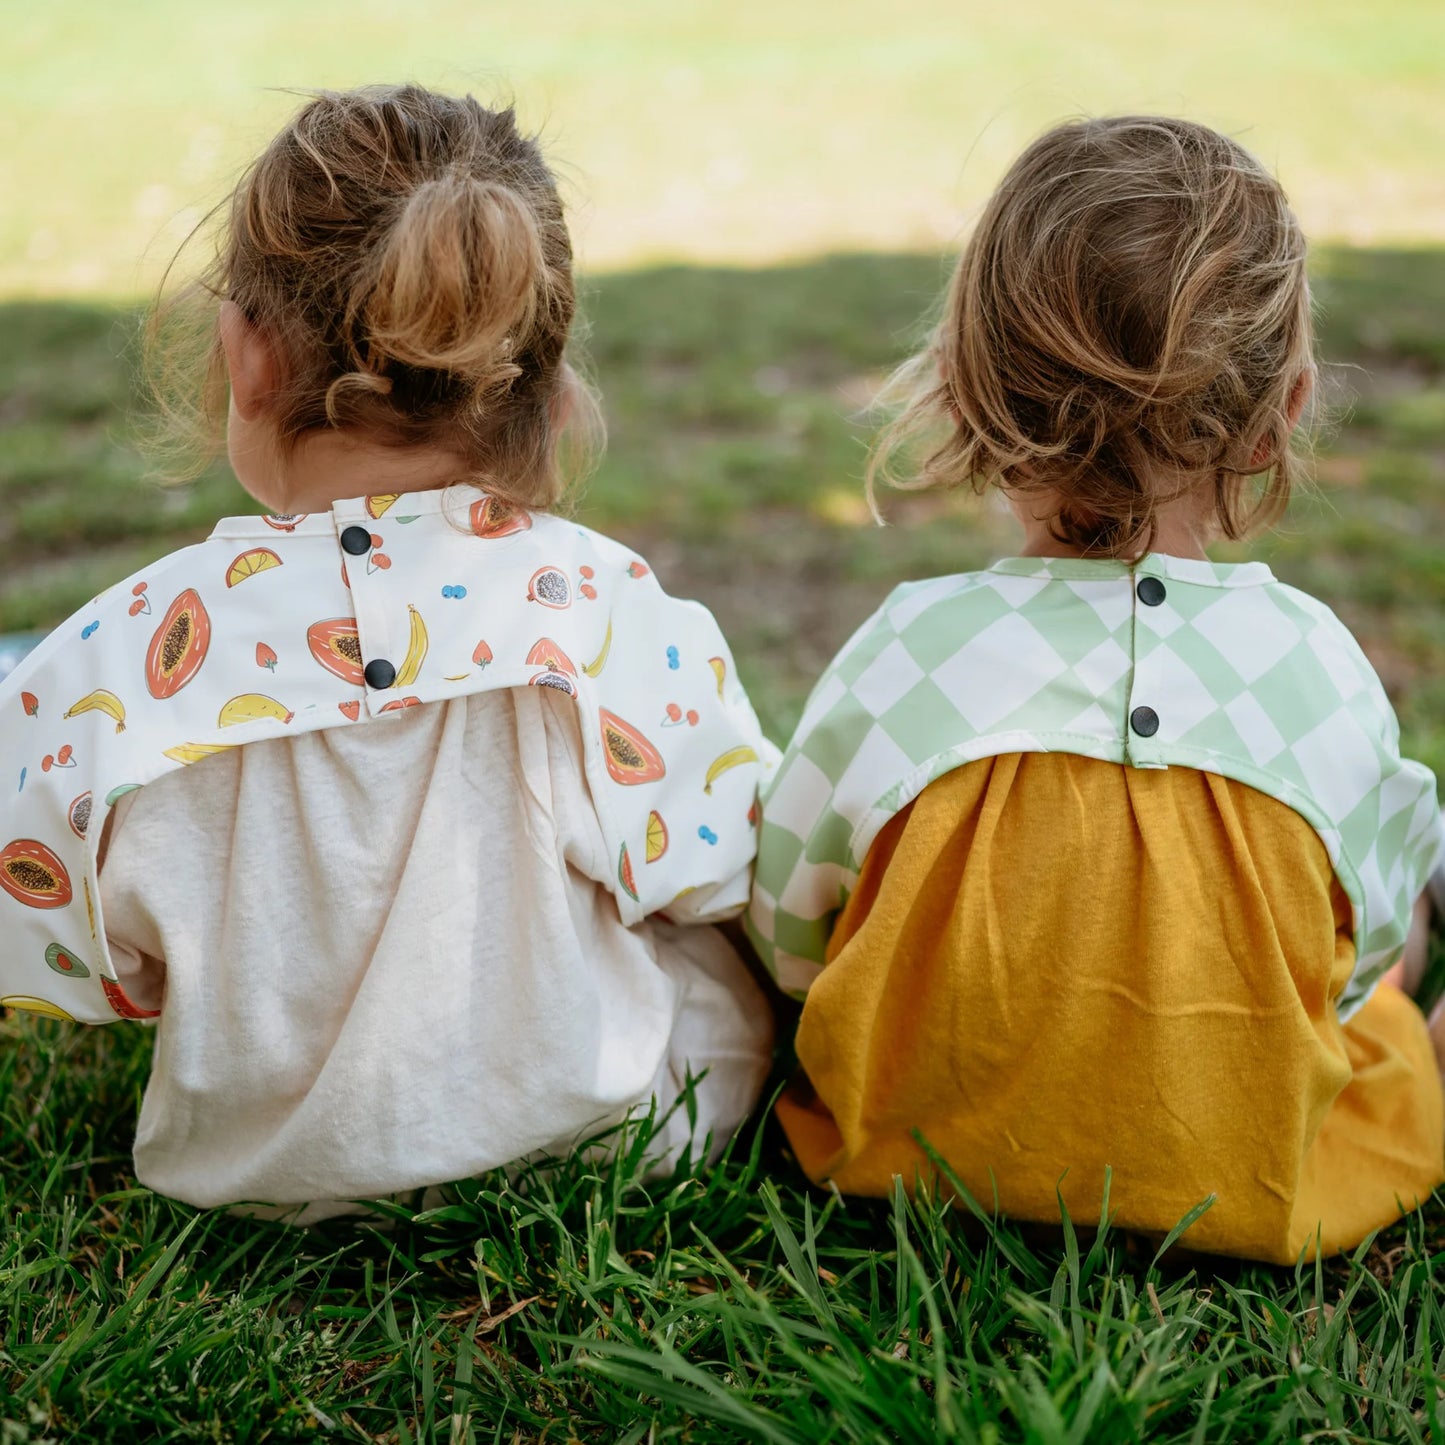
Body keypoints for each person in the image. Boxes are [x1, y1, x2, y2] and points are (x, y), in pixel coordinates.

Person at [0, 85, 775, 1220]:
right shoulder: (607, 610)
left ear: (245, 360)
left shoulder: (114, 658)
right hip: (621, 1140)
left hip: (259, 1182)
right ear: (548, 392)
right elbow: (719, 864)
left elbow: (67, 944)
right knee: (703, 949)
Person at [747, 116, 1445, 1264]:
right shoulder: (1313, 668)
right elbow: (1352, 957)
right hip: (1253, 1168)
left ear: (966, 391)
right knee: (1396, 918)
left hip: (913, 1158)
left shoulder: (906, 652)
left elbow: (787, 926)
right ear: (1283, 411)